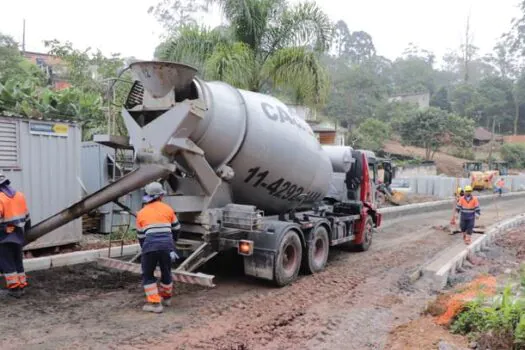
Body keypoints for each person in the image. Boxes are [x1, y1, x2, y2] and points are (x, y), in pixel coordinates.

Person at [136, 182, 180, 313]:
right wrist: (172, 243)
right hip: (167, 246)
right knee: (166, 271)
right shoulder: (168, 209)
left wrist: (145, 249)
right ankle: (166, 299)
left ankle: (155, 304)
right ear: (161, 196)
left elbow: (140, 236)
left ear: (147, 196)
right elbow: (176, 228)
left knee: (148, 274)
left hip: (150, 246)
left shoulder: (141, 213)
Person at [0, 173, 30, 298]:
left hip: (4, 237)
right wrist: (26, 232)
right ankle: (22, 286)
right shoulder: (19, 195)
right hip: (18, 235)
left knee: (7, 263)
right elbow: (27, 217)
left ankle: (14, 290)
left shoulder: (0, 198)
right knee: (18, 261)